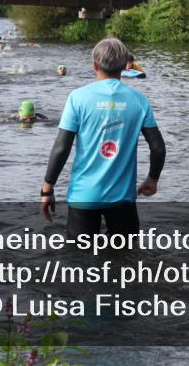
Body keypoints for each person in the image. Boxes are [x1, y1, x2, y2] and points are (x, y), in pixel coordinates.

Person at [41, 37, 166, 238]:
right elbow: (158, 147)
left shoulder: (78, 97)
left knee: (79, 262)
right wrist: (152, 179)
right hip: (123, 199)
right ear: (125, 66)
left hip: (84, 196)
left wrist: (47, 189)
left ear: (95, 65)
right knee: (126, 261)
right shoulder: (139, 101)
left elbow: (61, 147)